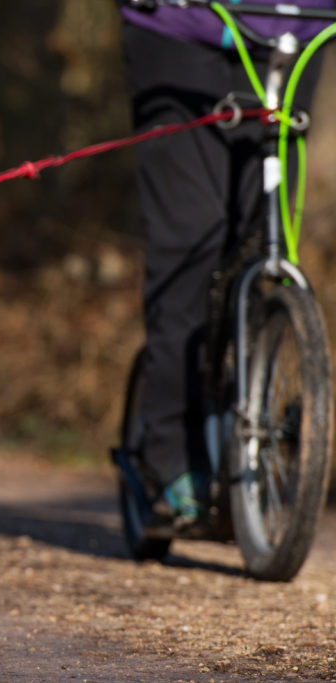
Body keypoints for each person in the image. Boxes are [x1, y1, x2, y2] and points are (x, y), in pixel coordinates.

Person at [117, 0, 332, 525]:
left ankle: (241, 416)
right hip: (182, 28)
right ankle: (167, 451)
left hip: (300, 28)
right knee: (193, 233)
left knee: (261, 234)